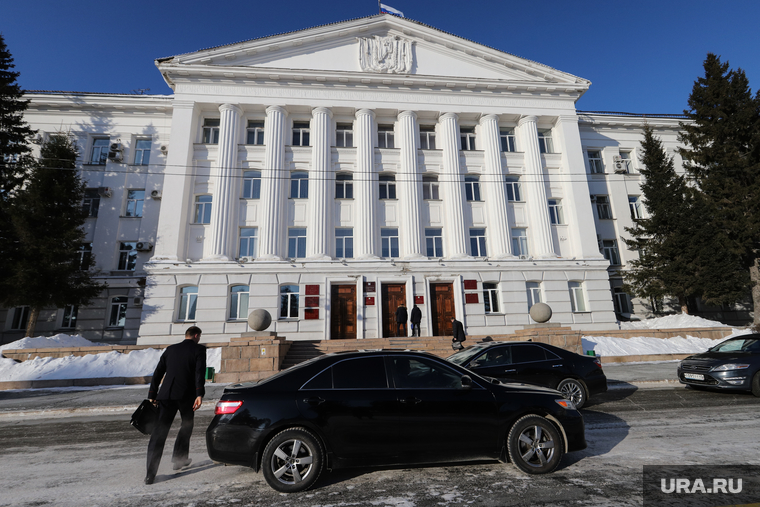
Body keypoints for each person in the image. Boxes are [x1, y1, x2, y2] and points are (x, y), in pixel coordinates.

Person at [145, 326, 206, 485]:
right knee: (187, 425)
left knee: (159, 434)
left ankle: (150, 474)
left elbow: (158, 372)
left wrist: (152, 394)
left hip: (166, 396)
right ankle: (179, 458)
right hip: (187, 396)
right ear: (196, 335)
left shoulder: (170, 350)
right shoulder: (198, 349)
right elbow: (199, 371)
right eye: (199, 337)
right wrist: (199, 394)